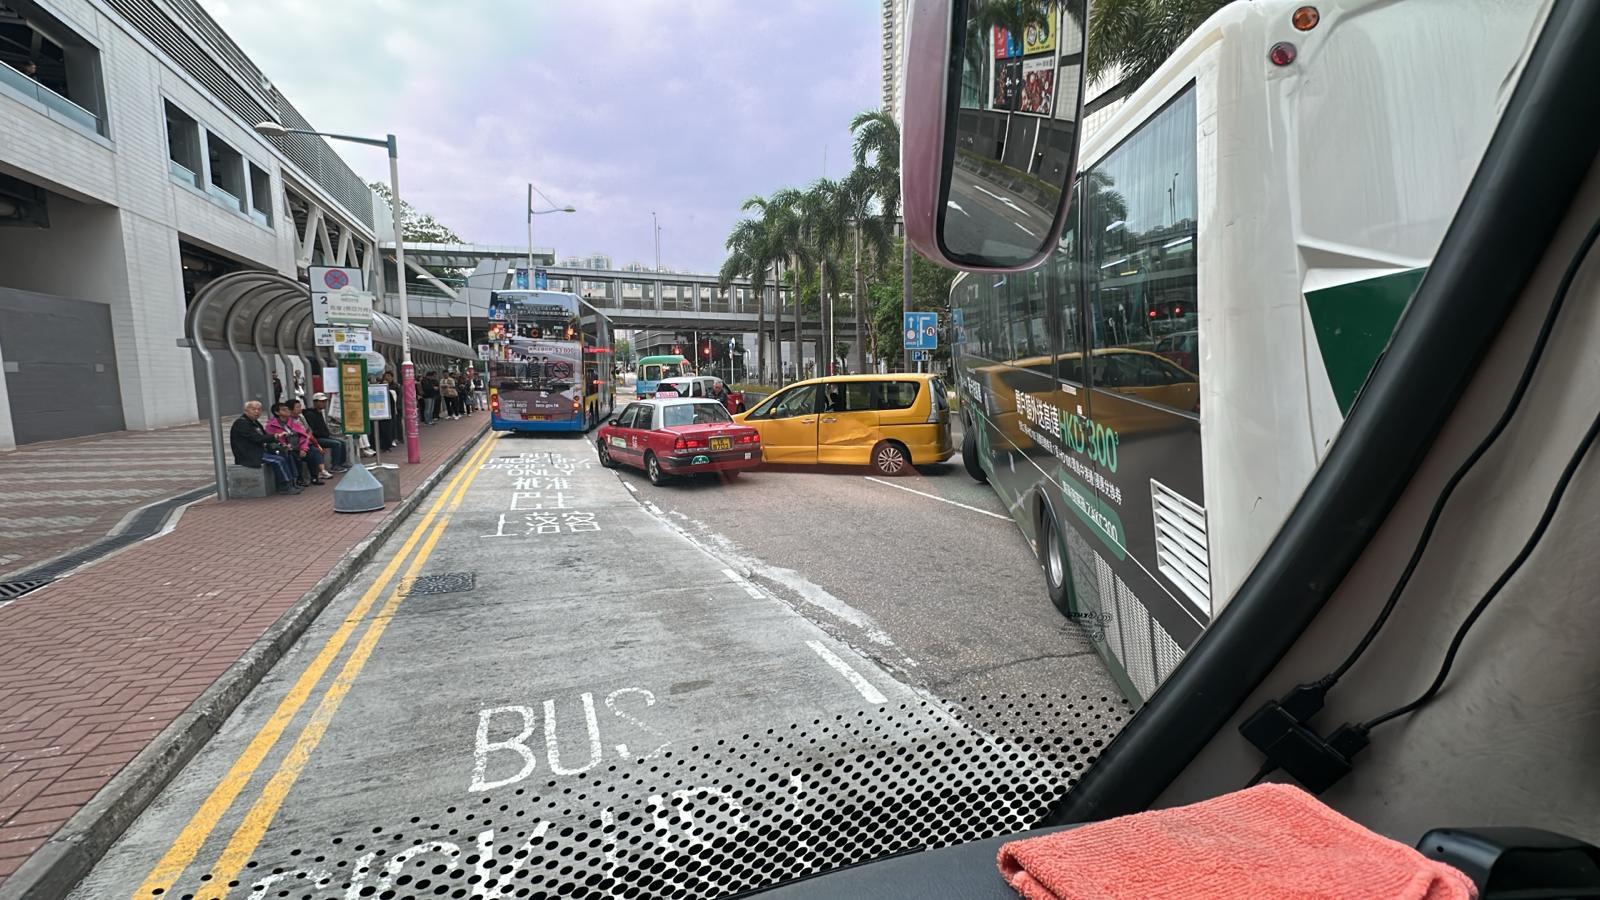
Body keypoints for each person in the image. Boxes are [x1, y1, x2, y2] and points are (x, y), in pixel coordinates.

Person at [229, 401, 299, 494]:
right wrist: (275, 436)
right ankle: (285, 486)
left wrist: (281, 445)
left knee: (286, 454)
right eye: (253, 409)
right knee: (278, 460)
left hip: (260, 451)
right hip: (250, 454)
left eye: (259, 409)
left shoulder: (255, 422)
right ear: (246, 410)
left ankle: (293, 482)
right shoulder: (241, 423)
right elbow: (257, 438)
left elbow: (265, 436)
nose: (256, 412)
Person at [266, 401, 325, 485]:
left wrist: (303, 448)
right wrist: (284, 446)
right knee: (294, 457)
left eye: (287, 409)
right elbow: (273, 439)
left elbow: (303, 436)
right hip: (286, 449)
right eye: (283, 410)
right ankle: (299, 479)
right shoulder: (271, 425)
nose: (287, 411)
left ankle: (314, 477)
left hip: (298, 447)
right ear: (277, 412)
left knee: (313, 453)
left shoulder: (293, 422)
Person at [303, 393, 351, 472]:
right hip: (316, 438)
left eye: (325, 401)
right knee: (337, 444)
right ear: (315, 402)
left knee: (342, 442)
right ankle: (335, 465)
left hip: (324, 436)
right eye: (321, 401)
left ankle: (342, 463)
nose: (324, 403)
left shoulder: (319, 413)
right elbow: (313, 430)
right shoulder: (310, 414)